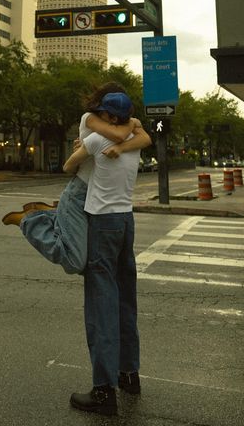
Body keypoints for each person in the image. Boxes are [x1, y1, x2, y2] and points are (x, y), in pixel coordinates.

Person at [1, 83, 151, 276]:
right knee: (76, 262)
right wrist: (131, 125)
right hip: (80, 191)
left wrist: (123, 141)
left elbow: (145, 139)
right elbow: (119, 135)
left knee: (92, 259)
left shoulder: (119, 121)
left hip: (99, 197)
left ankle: (55, 216)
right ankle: (29, 221)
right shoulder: (90, 118)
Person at [63, 92, 142, 416]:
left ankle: (103, 391)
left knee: (101, 303)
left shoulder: (95, 140)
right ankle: (128, 374)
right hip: (126, 220)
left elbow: (68, 167)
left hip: (103, 222)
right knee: (125, 298)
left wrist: (79, 153)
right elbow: (140, 135)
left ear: (108, 116)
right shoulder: (136, 138)